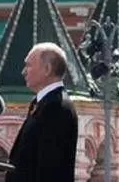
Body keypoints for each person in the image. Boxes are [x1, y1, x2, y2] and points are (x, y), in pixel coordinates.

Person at [7, 42, 78, 182]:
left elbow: (51, 166)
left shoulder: (57, 106)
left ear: (47, 69)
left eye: (28, 65)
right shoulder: (42, 102)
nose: (24, 71)